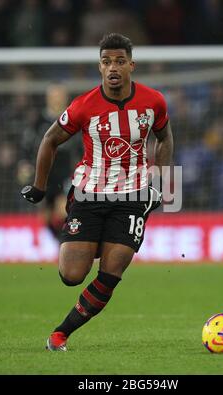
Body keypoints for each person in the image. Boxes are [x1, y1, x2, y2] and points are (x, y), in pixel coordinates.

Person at [21, 33, 173, 351]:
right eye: (106, 62)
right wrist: (39, 186)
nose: (112, 68)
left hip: (133, 197)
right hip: (90, 194)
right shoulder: (84, 105)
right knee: (71, 274)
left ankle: (59, 334)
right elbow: (49, 139)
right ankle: (103, 239)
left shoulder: (153, 102)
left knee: (111, 271)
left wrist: (163, 182)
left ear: (131, 65)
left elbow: (164, 137)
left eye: (119, 61)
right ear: (99, 67)